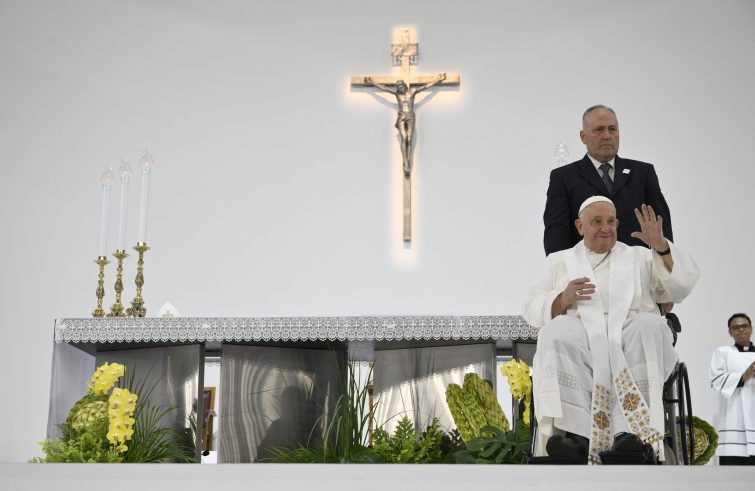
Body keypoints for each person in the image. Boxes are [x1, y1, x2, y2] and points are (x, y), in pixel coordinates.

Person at [524, 196, 699, 464]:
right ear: (580, 226)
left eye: (610, 221)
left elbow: (679, 288)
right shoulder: (560, 261)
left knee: (647, 326)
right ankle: (576, 435)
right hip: (581, 332)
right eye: (596, 222)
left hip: (629, 328)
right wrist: (562, 299)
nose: (605, 228)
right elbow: (531, 307)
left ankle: (631, 435)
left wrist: (662, 247)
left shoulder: (640, 256)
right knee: (556, 333)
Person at [543, 105, 673, 256]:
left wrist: (665, 259)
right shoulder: (563, 177)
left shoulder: (643, 173)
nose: (607, 135)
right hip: (587, 268)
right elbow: (556, 234)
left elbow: (662, 230)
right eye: (599, 130)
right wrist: (562, 269)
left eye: (612, 129)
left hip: (636, 267)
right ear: (583, 136)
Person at [363, 74, 446, 177]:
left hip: (410, 117)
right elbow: (385, 88)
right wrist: (373, 83)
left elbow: (425, 87)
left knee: (409, 138)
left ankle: (408, 159)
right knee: (404, 137)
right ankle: (405, 161)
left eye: (400, 86)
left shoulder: (412, 92)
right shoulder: (397, 94)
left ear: (405, 86)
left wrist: (438, 79)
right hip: (401, 117)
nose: (399, 89)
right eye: (398, 87)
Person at [709, 313, 755, 465]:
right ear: (730, 332)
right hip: (732, 418)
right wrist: (743, 376)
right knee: (733, 472)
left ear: (751, 329)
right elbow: (715, 379)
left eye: (745, 326)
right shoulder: (722, 352)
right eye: (736, 327)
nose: (741, 329)